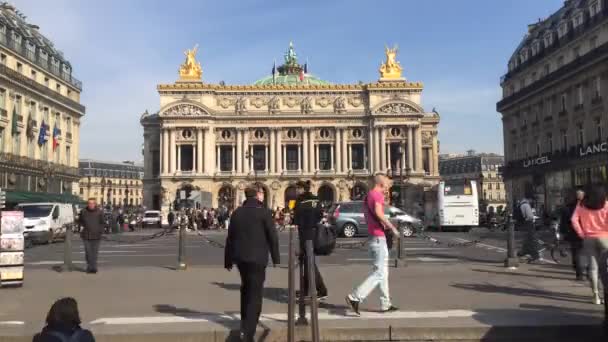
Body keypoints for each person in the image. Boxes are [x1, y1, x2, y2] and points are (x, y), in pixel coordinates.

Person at [225, 185, 280, 342]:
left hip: (241, 259)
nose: (263, 195)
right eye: (261, 193)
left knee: (246, 288)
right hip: (258, 259)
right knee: (255, 294)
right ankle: (247, 332)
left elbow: (230, 238)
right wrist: (276, 258)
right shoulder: (264, 212)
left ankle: (244, 322)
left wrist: (228, 260)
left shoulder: (236, 213)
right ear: (257, 195)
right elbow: (272, 236)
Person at [346, 174, 400, 316]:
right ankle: (355, 297)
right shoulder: (377, 195)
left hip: (373, 237)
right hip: (378, 238)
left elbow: (373, 214)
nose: (388, 187)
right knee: (379, 273)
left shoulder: (368, 195)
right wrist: (392, 227)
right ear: (382, 183)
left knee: (383, 273)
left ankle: (385, 303)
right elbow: (378, 212)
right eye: (387, 184)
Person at [571, 185, 608, 305]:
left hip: (588, 238)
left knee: (593, 268)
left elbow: (573, 219)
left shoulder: (581, 205)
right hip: (605, 237)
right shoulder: (606, 204)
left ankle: (596, 295)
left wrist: (581, 233)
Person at [293, 180, 328, 300]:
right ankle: (306, 290)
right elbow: (320, 214)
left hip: (304, 233)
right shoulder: (316, 199)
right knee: (308, 261)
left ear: (302, 189)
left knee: (308, 263)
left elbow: (296, 218)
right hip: (315, 232)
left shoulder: (300, 200)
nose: (296, 191)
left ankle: (321, 290)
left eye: (297, 188)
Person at [560, 188, 585, 281]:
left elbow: (564, 222)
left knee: (576, 253)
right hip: (585, 233)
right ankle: (585, 271)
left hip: (574, 233)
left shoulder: (569, 207)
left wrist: (563, 232)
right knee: (586, 253)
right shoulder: (587, 206)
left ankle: (579, 273)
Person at [517, 189, 544, 262]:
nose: (532, 201)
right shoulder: (526, 205)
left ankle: (523, 253)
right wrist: (534, 217)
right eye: (532, 200)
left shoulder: (521, 204)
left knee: (528, 240)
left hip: (524, 224)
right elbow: (529, 216)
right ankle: (535, 255)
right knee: (533, 240)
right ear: (530, 199)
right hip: (528, 224)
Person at [78, 198, 104, 274]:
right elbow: (80, 221)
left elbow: (102, 222)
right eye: (89, 203)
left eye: (92, 203)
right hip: (86, 235)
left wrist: (100, 231)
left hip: (96, 235)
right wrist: (81, 227)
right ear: (87, 204)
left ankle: (94, 268)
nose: (91, 205)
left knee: (94, 253)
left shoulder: (99, 212)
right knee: (88, 252)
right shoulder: (83, 212)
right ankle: (89, 266)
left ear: (95, 204)